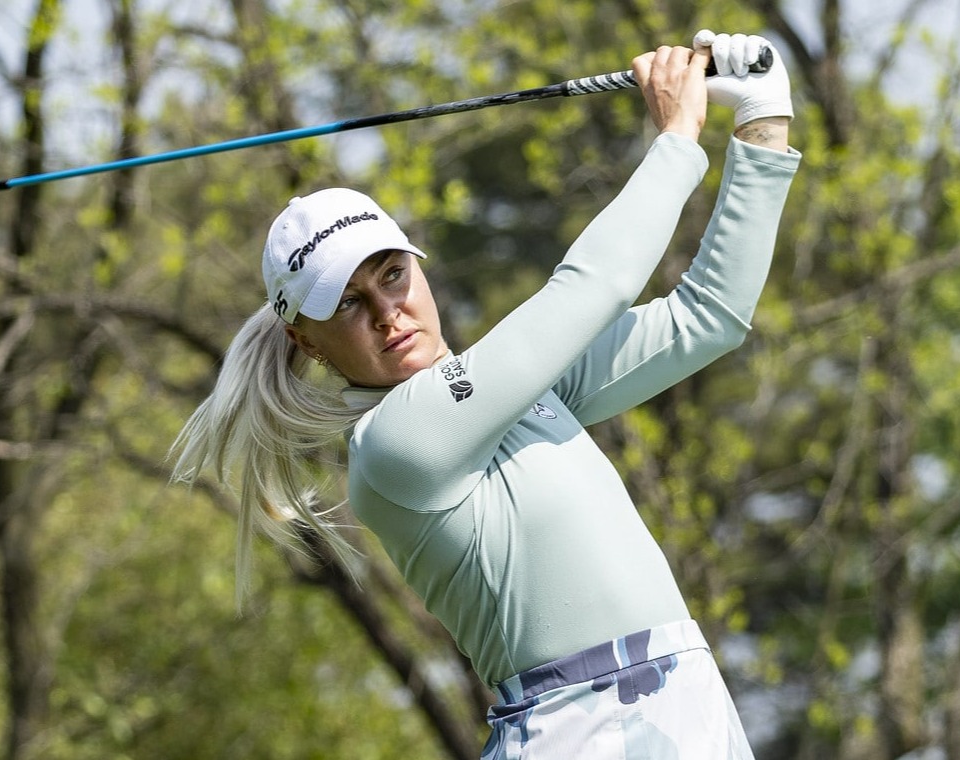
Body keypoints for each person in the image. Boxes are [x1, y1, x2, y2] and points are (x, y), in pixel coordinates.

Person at [172, 29, 799, 759]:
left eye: (392, 275)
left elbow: (708, 316)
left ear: (420, 267)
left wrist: (761, 119)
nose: (386, 312)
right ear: (306, 343)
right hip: (580, 732)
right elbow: (591, 288)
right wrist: (678, 140)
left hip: (687, 708)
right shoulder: (393, 446)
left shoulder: (520, 392)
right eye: (346, 304)